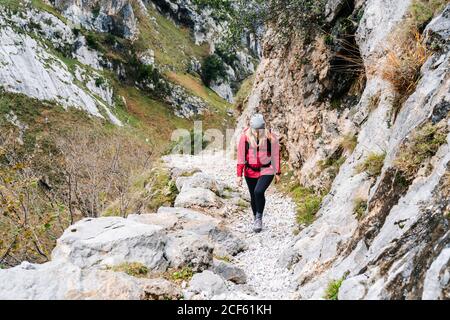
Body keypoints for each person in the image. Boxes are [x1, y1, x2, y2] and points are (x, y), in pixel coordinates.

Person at [236, 113, 281, 233]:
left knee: (258, 191)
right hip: (250, 171)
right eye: (255, 129)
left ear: (263, 127)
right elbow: (241, 157)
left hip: (267, 169)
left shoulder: (270, 137)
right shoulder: (244, 137)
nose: (257, 132)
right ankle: (255, 217)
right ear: (251, 127)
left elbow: (275, 155)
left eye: (260, 129)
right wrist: (239, 175)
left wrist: (277, 172)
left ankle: (259, 218)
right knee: (253, 196)